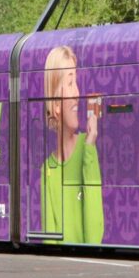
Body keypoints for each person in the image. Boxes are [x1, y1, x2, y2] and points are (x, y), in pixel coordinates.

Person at [41, 45, 104, 244]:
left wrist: (90, 147)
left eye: (76, 82)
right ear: (56, 105)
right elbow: (49, 242)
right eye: (70, 83)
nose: (77, 93)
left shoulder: (89, 149)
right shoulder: (47, 171)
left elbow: (95, 236)